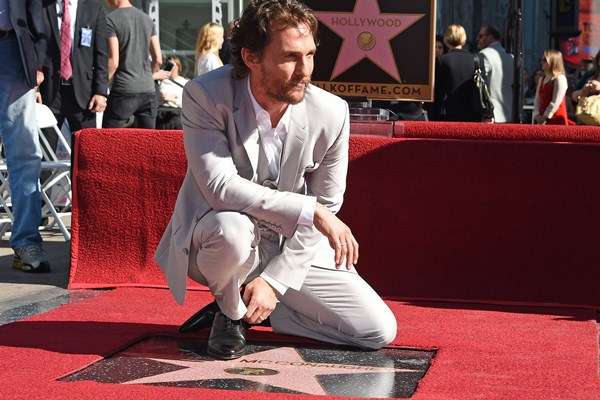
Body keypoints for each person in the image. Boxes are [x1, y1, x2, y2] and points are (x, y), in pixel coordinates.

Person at [155, 0, 397, 360]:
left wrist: (274, 282)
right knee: (232, 230)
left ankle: (255, 306)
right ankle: (231, 310)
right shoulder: (206, 95)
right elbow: (219, 186)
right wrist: (308, 209)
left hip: (289, 243)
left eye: (310, 55)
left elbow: (328, 204)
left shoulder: (331, 112)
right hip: (218, 236)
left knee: (376, 329)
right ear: (251, 57)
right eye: (290, 58)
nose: (305, 71)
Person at [0, 0, 51, 272]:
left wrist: (37, 59)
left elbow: (37, 10)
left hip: (12, 52)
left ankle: (26, 242)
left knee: (25, 153)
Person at [39, 0, 108, 133]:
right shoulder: (42, 6)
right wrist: (35, 88)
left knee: (85, 150)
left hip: (84, 95)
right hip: (49, 92)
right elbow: (34, 48)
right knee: (45, 150)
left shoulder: (94, 8)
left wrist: (100, 91)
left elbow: (101, 54)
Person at [103, 0, 162, 129]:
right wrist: (148, 76)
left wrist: (101, 88)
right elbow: (158, 58)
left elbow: (113, 61)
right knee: (147, 143)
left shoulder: (110, 20)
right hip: (148, 91)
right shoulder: (147, 19)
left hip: (123, 90)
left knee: (108, 142)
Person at [434, 24, 482, 122]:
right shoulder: (474, 59)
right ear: (463, 38)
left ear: (446, 39)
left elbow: (437, 90)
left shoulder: (442, 60)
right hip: (471, 111)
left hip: (448, 112)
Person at [477, 24, 514, 123]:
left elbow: (482, 86)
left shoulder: (484, 54)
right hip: (509, 115)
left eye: (481, 36)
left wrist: (486, 112)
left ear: (490, 37)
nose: (478, 39)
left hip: (492, 116)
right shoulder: (511, 58)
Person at [533, 50, 572, 125]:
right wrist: (537, 115)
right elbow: (537, 99)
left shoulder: (560, 78)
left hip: (556, 119)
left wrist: (545, 117)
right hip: (542, 120)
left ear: (553, 61)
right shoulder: (542, 79)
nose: (542, 62)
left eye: (544, 60)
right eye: (541, 60)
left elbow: (556, 102)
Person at [156, 56, 188, 129]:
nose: (171, 68)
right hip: (162, 111)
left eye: (172, 65)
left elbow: (186, 102)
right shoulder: (161, 81)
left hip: (177, 113)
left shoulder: (184, 82)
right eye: (168, 65)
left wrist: (173, 99)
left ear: (178, 67)